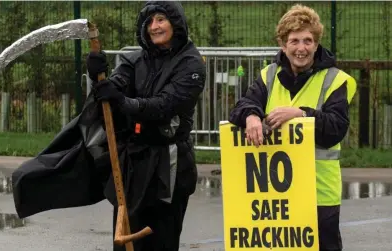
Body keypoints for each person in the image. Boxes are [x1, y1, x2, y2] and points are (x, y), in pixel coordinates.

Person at [228, 4, 356, 251]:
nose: (301, 48)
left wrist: (301, 114)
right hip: (277, 198)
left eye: (308, 41)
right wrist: (251, 117)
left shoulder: (334, 80)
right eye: (294, 41)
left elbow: (336, 128)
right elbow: (241, 106)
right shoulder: (268, 75)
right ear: (283, 44)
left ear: (316, 44)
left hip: (320, 194)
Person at [86, 1, 206, 250]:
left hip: (169, 166)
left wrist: (122, 101)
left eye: (161, 19)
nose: (154, 26)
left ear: (176, 22)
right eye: (149, 21)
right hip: (133, 163)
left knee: (160, 242)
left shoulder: (192, 64)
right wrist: (98, 77)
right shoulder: (133, 60)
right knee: (126, 240)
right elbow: (114, 90)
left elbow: (164, 106)